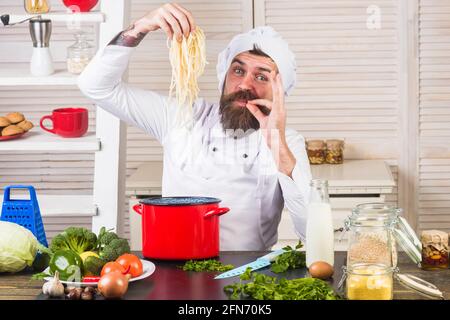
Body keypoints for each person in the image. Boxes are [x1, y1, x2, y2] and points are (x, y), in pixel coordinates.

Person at [78, 3, 312, 251]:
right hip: (173, 265)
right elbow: (95, 86)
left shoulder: (287, 142)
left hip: (246, 276)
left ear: (280, 92)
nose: (245, 84)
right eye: (238, 70)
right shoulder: (181, 116)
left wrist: (277, 145)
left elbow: (311, 229)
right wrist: (141, 26)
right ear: (224, 76)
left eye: (262, 76)